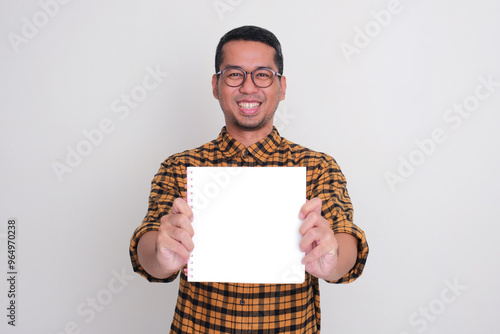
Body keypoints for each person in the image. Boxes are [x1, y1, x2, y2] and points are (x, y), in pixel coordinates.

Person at [129, 25, 369, 333]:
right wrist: (161, 255)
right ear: (216, 85)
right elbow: (148, 249)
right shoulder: (180, 167)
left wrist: (332, 256)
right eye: (234, 74)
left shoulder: (317, 167)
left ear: (281, 87)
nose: (248, 87)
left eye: (263, 75)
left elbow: (346, 242)